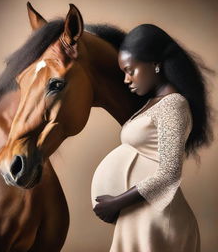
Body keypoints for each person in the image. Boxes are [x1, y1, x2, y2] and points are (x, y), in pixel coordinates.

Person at [91, 24, 214, 252]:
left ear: (155, 65)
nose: (127, 79)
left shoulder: (173, 105)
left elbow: (169, 173)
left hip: (159, 220)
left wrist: (117, 202)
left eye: (131, 70)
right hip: (140, 216)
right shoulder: (152, 103)